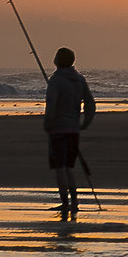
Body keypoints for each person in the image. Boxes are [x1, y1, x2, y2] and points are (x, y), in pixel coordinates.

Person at [43, 46, 96, 222]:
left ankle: (65, 202)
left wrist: (48, 123)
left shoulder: (56, 81)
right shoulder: (80, 80)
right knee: (69, 167)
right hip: (73, 129)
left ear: (57, 61)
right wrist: (85, 122)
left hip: (58, 128)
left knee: (60, 167)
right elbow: (90, 103)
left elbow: (51, 105)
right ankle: (74, 200)